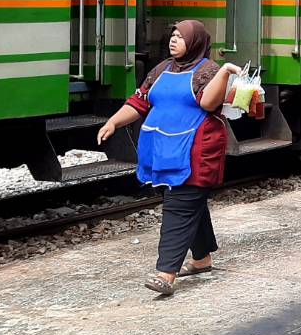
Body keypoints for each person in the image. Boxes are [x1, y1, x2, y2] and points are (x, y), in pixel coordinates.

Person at [97, 20, 241, 296]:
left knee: (179, 207)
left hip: (194, 153)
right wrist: (113, 122)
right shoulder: (161, 69)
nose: (173, 40)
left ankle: (166, 274)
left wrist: (224, 72)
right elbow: (140, 102)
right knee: (189, 205)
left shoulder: (208, 71)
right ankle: (202, 260)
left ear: (195, 42)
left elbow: (208, 103)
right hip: (163, 151)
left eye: (180, 37)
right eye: (173, 36)